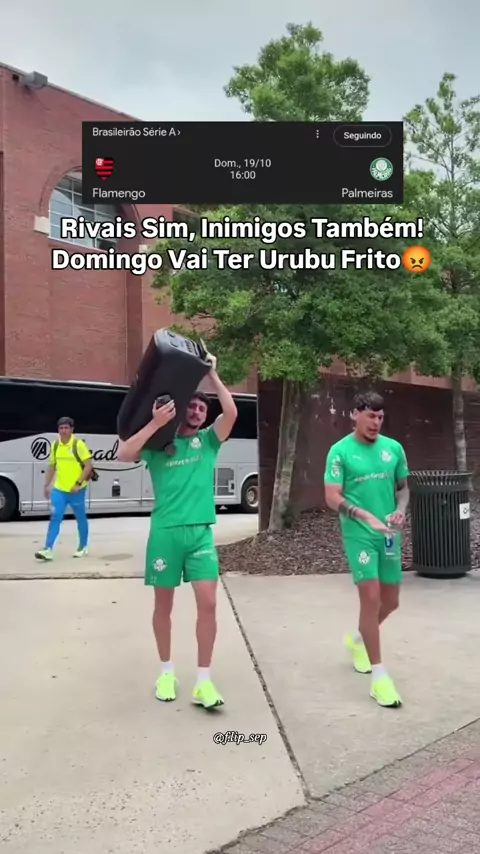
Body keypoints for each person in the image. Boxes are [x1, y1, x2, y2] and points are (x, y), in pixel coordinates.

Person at [117, 351, 237, 709]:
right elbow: (124, 453)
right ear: (183, 409)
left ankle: (203, 681)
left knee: (209, 603)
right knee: (163, 606)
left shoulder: (209, 442)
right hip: (166, 534)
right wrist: (155, 424)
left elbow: (231, 413)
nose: (198, 412)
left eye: (202, 409)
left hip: (200, 534)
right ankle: (166, 672)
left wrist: (212, 375)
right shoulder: (159, 446)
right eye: (193, 407)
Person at [324, 391, 410, 708]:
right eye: (370, 416)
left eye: (380, 417)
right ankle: (379, 677)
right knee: (371, 597)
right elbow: (332, 496)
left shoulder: (393, 449)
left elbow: (403, 488)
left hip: (388, 534)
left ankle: (358, 639)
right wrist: (362, 515)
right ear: (355, 415)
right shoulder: (340, 452)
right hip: (359, 534)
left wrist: (400, 510)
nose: (376, 422)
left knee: (391, 601)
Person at [35, 417, 93, 561]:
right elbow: (52, 466)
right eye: (61, 428)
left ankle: (83, 547)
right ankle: (48, 549)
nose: (63, 431)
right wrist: (47, 485)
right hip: (59, 490)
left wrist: (78, 484)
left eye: (66, 428)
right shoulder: (55, 445)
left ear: (72, 429)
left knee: (80, 518)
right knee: (55, 517)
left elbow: (88, 466)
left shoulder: (78, 445)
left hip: (77, 491)